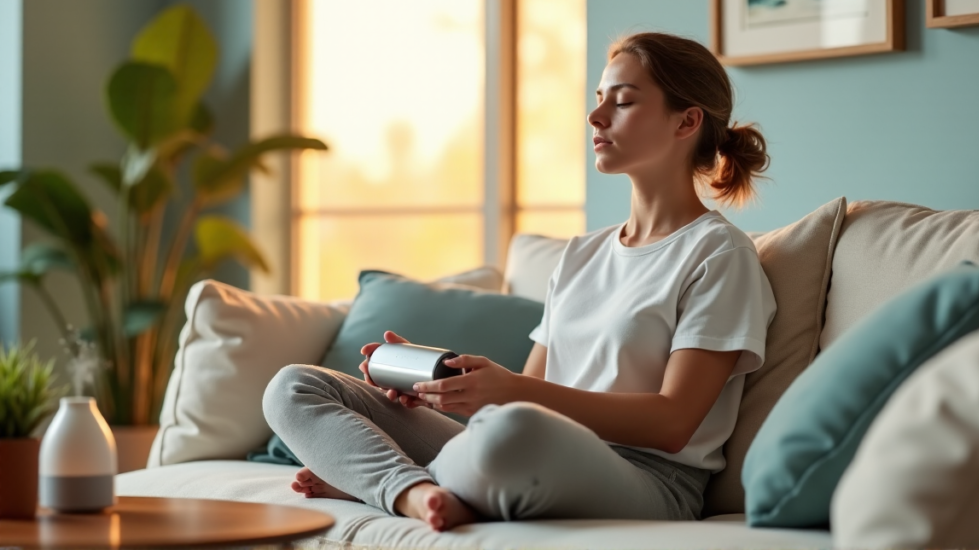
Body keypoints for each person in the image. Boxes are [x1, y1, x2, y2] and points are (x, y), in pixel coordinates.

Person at [263, 31, 776, 532]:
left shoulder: (719, 254)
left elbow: (671, 424)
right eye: (599, 100)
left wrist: (505, 394)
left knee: (512, 430)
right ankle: (412, 491)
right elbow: (530, 394)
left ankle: (376, 480)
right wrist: (449, 392)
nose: (596, 117)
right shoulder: (581, 254)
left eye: (622, 102)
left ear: (686, 122)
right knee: (293, 386)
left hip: (647, 479)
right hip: (527, 446)